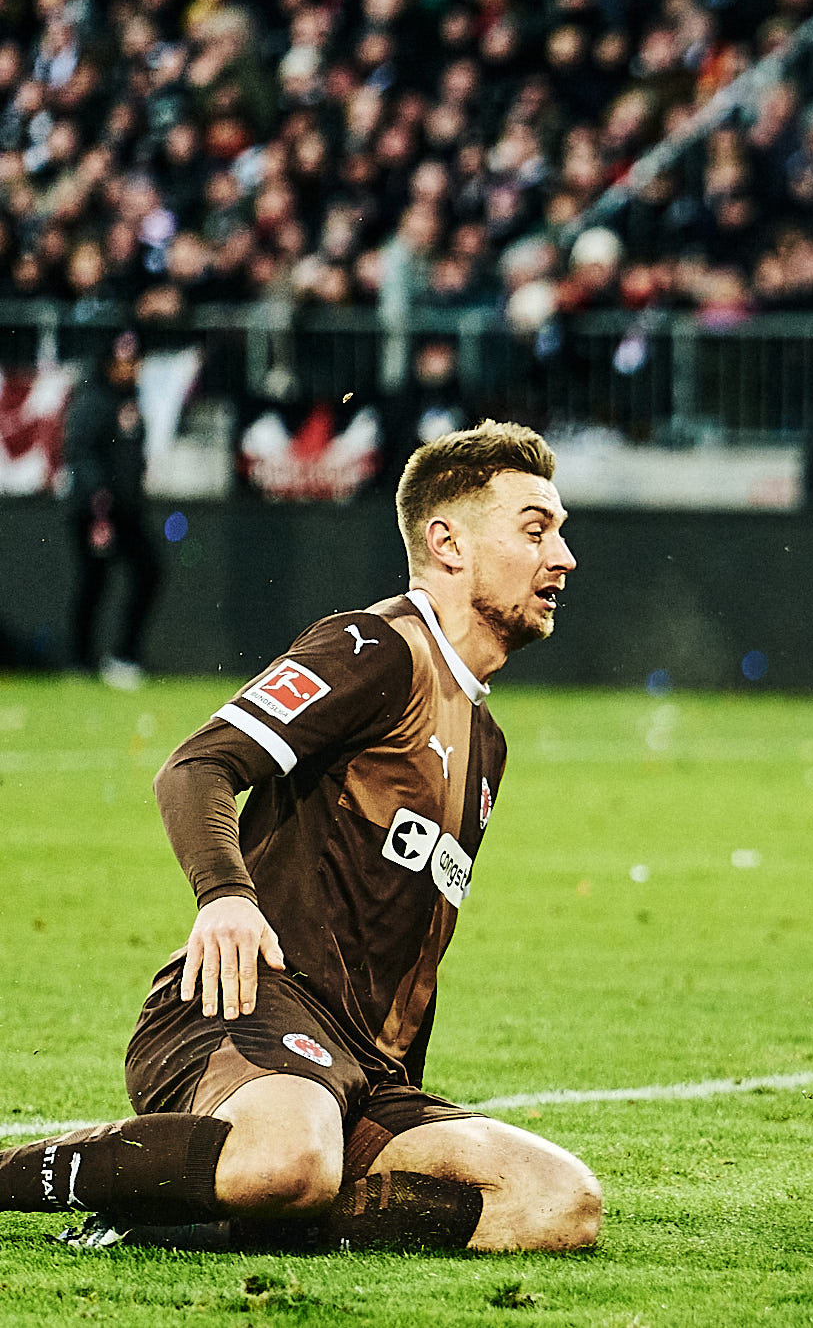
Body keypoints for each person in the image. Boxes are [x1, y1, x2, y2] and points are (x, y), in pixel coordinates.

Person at [0, 421, 600, 1254]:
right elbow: (197, 765)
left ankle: (187, 1207)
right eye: (536, 530)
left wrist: (397, 1095)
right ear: (447, 542)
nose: (562, 556)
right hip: (249, 1007)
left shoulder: (486, 743)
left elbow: (402, 940)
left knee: (558, 1203)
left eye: (560, 532)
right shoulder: (377, 647)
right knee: (292, 1154)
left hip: (361, 1073)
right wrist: (226, 896)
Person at [66, 329, 161, 690]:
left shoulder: (131, 402)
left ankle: (123, 655)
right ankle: (80, 659)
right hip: (97, 512)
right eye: (123, 362)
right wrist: (98, 501)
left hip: (127, 511)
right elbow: (81, 453)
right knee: (94, 581)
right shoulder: (92, 400)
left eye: (134, 362)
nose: (130, 369)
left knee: (149, 572)